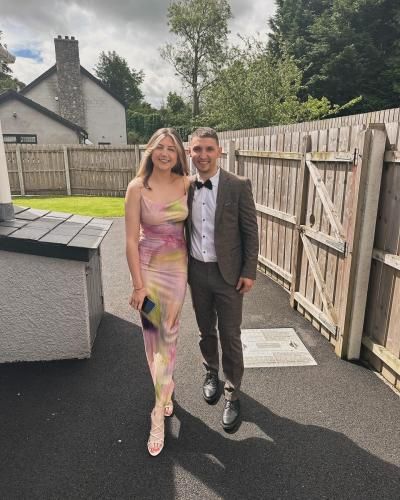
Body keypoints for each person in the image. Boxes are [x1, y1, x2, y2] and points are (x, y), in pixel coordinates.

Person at [187, 127, 259, 431]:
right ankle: (210, 372)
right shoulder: (184, 186)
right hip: (196, 271)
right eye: (197, 150)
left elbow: (250, 232)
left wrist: (249, 271)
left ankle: (232, 392)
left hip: (228, 274)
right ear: (190, 152)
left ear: (219, 151)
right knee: (206, 331)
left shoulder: (238, 185)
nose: (203, 155)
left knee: (230, 335)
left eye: (209, 149)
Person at [125, 128, 190, 456]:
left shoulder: (186, 184)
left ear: (179, 154)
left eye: (172, 149)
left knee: (170, 336)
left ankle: (164, 388)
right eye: (160, 148)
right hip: (149, 273)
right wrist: (137, 285)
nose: (166, 153)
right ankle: (158, 410)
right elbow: (129, 241)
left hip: (177, 270)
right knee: (154, 338)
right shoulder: (137, 187)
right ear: (150, 150)